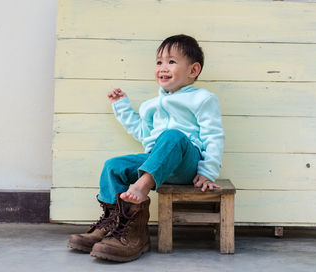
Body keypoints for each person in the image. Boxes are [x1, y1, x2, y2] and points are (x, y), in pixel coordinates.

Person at [67, 34, 225, 262]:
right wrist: (122, 107)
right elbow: (144, 134)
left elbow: (214, 135)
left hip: (185, 164)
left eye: (171, 61)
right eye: (159, 62)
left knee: (173, 136)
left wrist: (207, 171)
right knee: (114, 165)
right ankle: (115, 224)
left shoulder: (202, 99)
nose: (163, 67)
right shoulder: (151, 105)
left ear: (193, 70)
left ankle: (141, 187)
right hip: (155, 160)